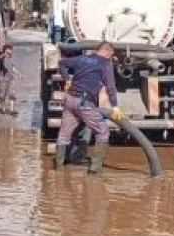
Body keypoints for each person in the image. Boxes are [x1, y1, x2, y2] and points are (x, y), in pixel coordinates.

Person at [53, 41, 124, 174]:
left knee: (64, 135)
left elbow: (62, 63)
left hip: (70, 100)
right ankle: (95, 171)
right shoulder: (105, 63)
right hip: (84, 103)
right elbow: (111, 87)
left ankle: (58, 169)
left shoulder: (82, 58)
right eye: (111, 55)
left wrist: (67, 78)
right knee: (103, 133)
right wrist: (115, 107)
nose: (110, 58)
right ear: (107, 51)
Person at [0, 45, 20, 115]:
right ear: (5, 51)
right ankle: (3, 109)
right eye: (9, 51)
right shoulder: (2, 58)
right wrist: (4, 54)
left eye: (11, 50)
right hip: (3, 79)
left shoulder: (11, 58)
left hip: (11, 78)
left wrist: (19, 73)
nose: (10, 52)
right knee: (2, 95)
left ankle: (11, 110)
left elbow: (13, 68)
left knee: (12, 94)